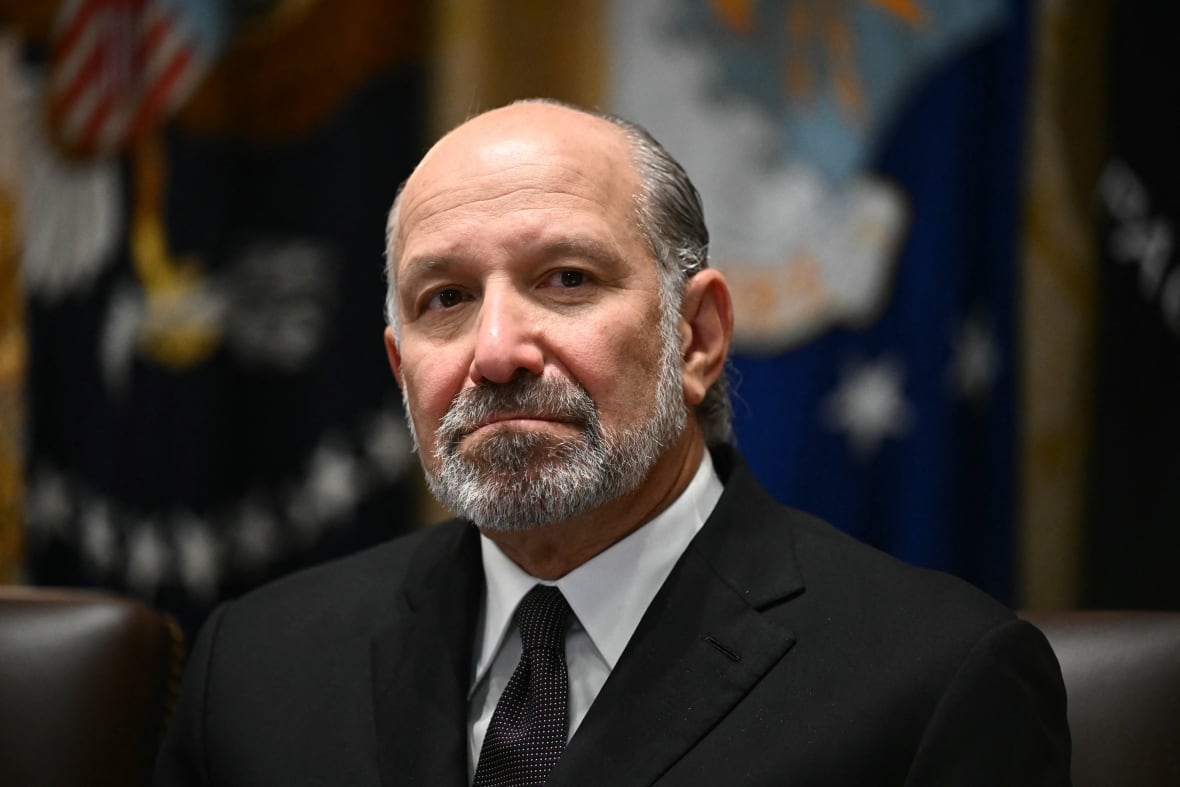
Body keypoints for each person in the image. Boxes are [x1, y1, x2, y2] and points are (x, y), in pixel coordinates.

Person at [154, 99, 1071, 786]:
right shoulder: (254, 671)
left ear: (698, 335)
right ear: (401, 368)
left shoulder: (934, 683)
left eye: (564, 279)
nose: (498, 351)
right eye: (447, 298)